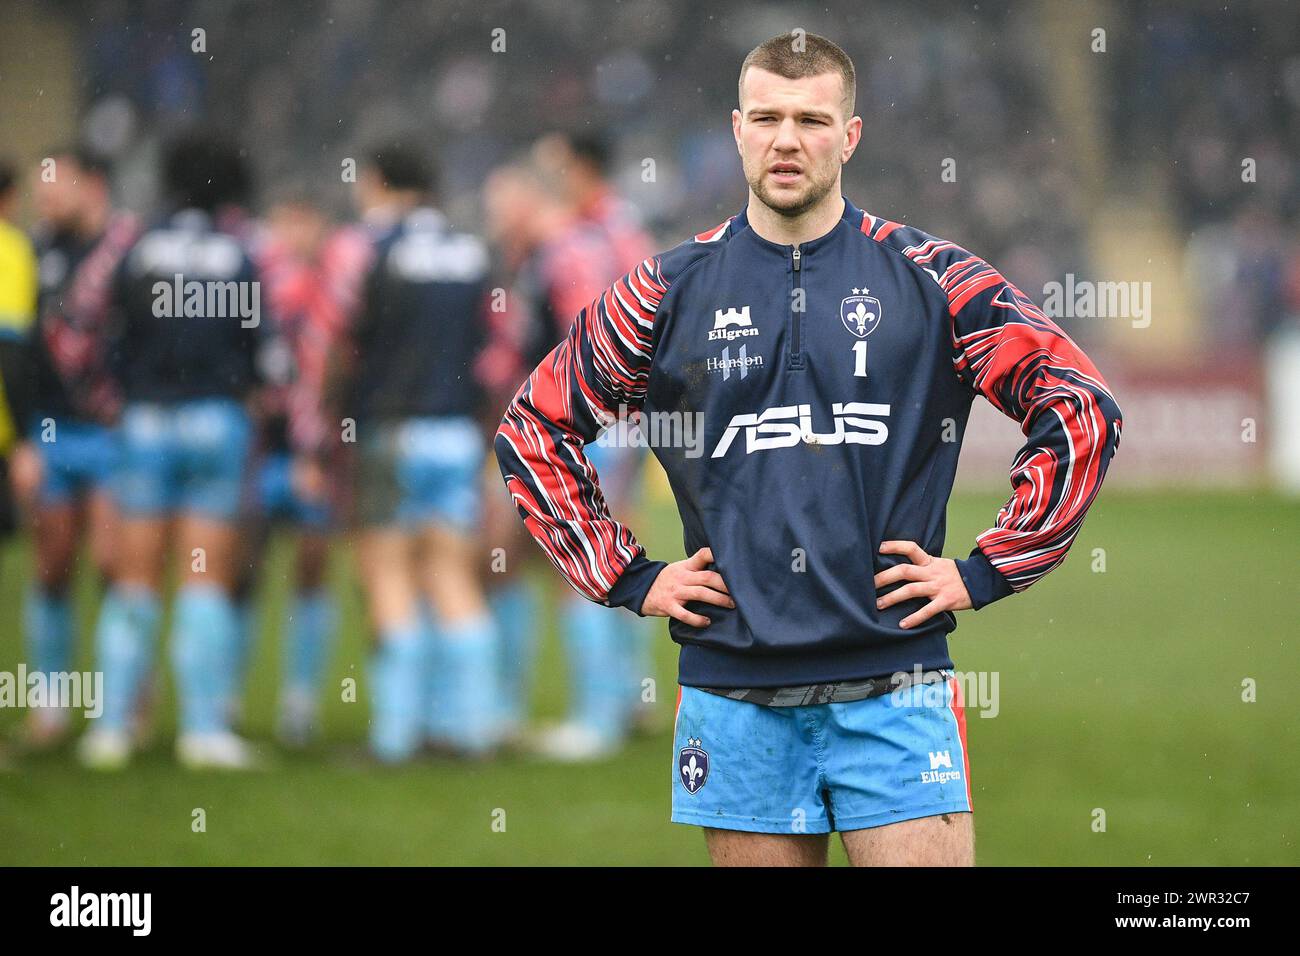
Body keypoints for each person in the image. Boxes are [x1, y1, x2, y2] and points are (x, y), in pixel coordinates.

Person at [496, 33, 1123, 866]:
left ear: (850, 136)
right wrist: (627, 577)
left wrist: (989, 567)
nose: (787, 139)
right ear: (737, 129)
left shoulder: (936, 280)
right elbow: (534, 427)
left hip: (896, 686)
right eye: (767, 118)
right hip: (733, 690)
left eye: (811, 120)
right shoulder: (665, 290)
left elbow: (1081, 406)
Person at [76, 132, 269, 770]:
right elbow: (268, 356)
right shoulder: (239, 254)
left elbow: (88, 331)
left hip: (146, 421)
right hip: (216, 422)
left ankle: (110, 730)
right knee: (204, 581)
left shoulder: (133, 249)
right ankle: (203, 731)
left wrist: (112, 401)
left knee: (133, 579)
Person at [339, 140, 500, 762]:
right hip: (456, 433)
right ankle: (473, 730)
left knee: (388, 574)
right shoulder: (469, 251)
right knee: (450, 574)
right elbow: (493, 349)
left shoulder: (370, 249)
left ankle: (394, 739)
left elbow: (336, 338)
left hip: (394, 430)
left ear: (376, 180)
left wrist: (329, 422)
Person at [235, 189, 369, 745]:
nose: (292, 232)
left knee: (312, 572)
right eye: (284, 219)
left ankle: (300, 701)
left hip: (319, 457)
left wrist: (320, 450)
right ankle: (224, 701)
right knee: (241, 573)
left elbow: (344, 374)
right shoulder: (255, 287)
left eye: (303, 219)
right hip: (261, 453)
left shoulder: (340, 293)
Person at [11, 148, 128, 748]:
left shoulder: (127, 253)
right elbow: (20, 349)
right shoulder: (32, 253)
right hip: (51, 430)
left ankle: (121, 705)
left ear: (94, 183)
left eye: (55, 181)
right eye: (39, 184)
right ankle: (50, 705)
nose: (46, 195)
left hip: (110, 431)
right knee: (52, 568)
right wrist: (23, 438)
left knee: (114, 565)